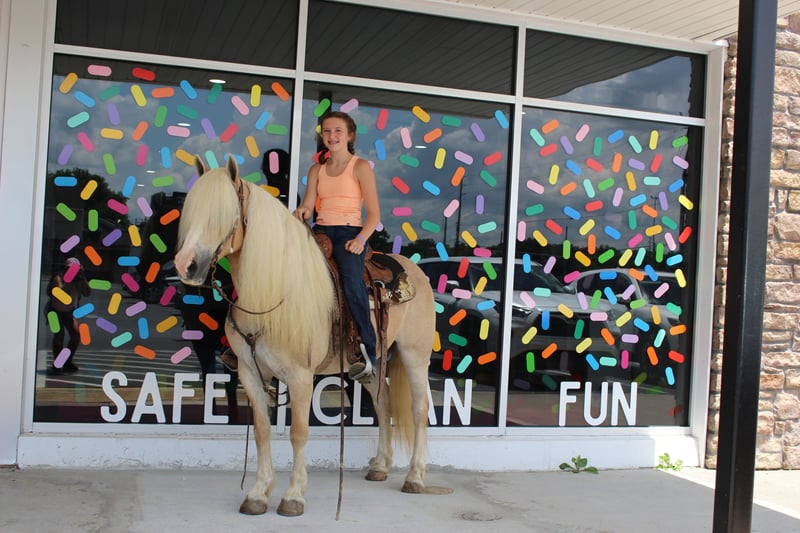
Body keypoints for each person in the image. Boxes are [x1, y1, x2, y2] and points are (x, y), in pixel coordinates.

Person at [294, 111, 381, 381]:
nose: (332, 136)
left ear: (350, 136)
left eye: (338, 131)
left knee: (352, 283)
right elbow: (309, 204)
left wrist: (360, 240)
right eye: (327, 131)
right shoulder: (316, 170)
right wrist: (303, 211)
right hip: (321, 231)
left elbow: (375, 214)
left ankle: (368, 351)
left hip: (349, 233)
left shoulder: (360, 167)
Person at [47, 257, 91, 373]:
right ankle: (57, 364)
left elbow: (87, 293)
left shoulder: (78, 279)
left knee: (76, 335)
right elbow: (61, 294)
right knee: (59, 336)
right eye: (70, 269)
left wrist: (82, 277)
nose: (72, 272)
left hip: (69, 311)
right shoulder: (58, 277)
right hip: (54, 311)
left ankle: (67, 361)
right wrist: (69, 280)